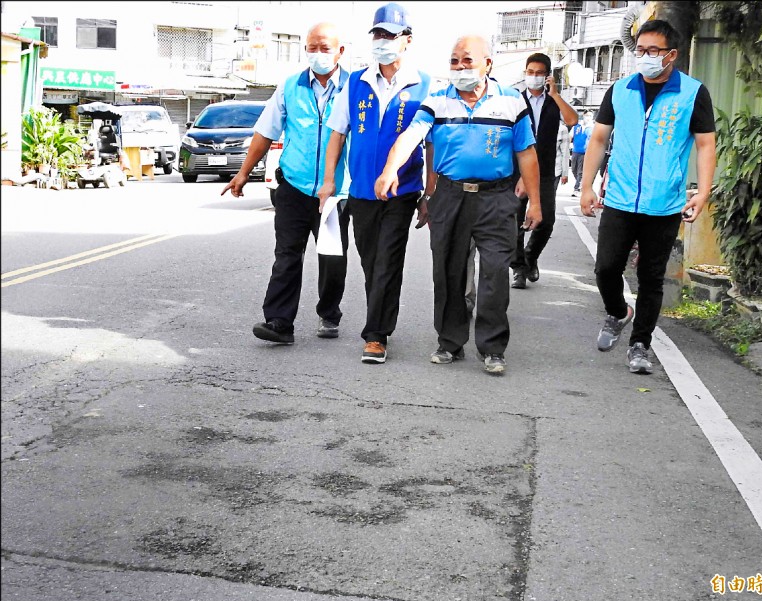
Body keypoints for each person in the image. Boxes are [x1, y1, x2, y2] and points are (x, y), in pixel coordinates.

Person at [375, 34, 542, 375]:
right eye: (454, 61)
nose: (460, 67)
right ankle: (450, 341)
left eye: (467, 60)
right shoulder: (437, 101)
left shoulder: (511, 101)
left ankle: (493, 348)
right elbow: (411, 136)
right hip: (450, 197)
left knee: (495, 271)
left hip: (496, 197)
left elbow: (526, 152)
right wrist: (390, 169)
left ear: (488, 64)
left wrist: (536, 203)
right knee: (449, 270)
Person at [580, 19, 716, 374]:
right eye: (640, 50)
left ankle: (640, 344)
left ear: (672, 55)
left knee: (652, 278)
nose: (645, 57)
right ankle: (617, 312)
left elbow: (705, 144)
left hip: (664, 203)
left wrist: (702, 191)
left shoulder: (692, 92)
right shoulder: (620, 90)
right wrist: (586, 186)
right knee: (606, 267)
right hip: (621, 199)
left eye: (653, 51)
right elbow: (597, 139)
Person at [222, 22, 350, 345]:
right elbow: (266, 131)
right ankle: (279, 321)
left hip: (335, 193)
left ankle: (329, 312)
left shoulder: (354, 88)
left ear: (340, 52)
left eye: (325, 48)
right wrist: (243, 173)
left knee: (333, 258)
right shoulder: (291, 86)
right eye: (312, 47)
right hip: (293, 186)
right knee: (287, 254)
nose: (318, 54)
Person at [318, 2, 431, 365]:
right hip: (362, 190)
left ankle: (376, 335)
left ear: (407, 41)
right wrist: (329, 181)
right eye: (377, 34)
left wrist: (430, 192)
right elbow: (337, 133)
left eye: (389, 35)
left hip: (403, 190)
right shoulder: (355, 82)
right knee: (370, 261)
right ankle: (379, 319)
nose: (381, 42)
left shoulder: (424, 85)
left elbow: (431, 142)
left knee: (388, 261)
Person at [510, 53, 578, 289]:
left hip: (546, 171)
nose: (534, 77)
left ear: (548, 75)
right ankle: (518, 268)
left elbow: (572, 120)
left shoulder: (554, 101)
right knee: (515, 220)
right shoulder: (516, 99)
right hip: (517, 171)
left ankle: (530, 257)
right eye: (531, 72)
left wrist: (555, 95)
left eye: (539, 73)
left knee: (546, 220)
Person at [570, 109, 593, 197]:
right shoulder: (577, 126)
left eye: (590, 116)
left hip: (585, 152)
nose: (588, 118)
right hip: (575, 151)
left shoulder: (592, 127)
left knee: (580, 171)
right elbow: (570, 136)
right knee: (573, 169)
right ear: (583, 116)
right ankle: (581, 184)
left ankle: (577, 188)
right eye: (587, 115)